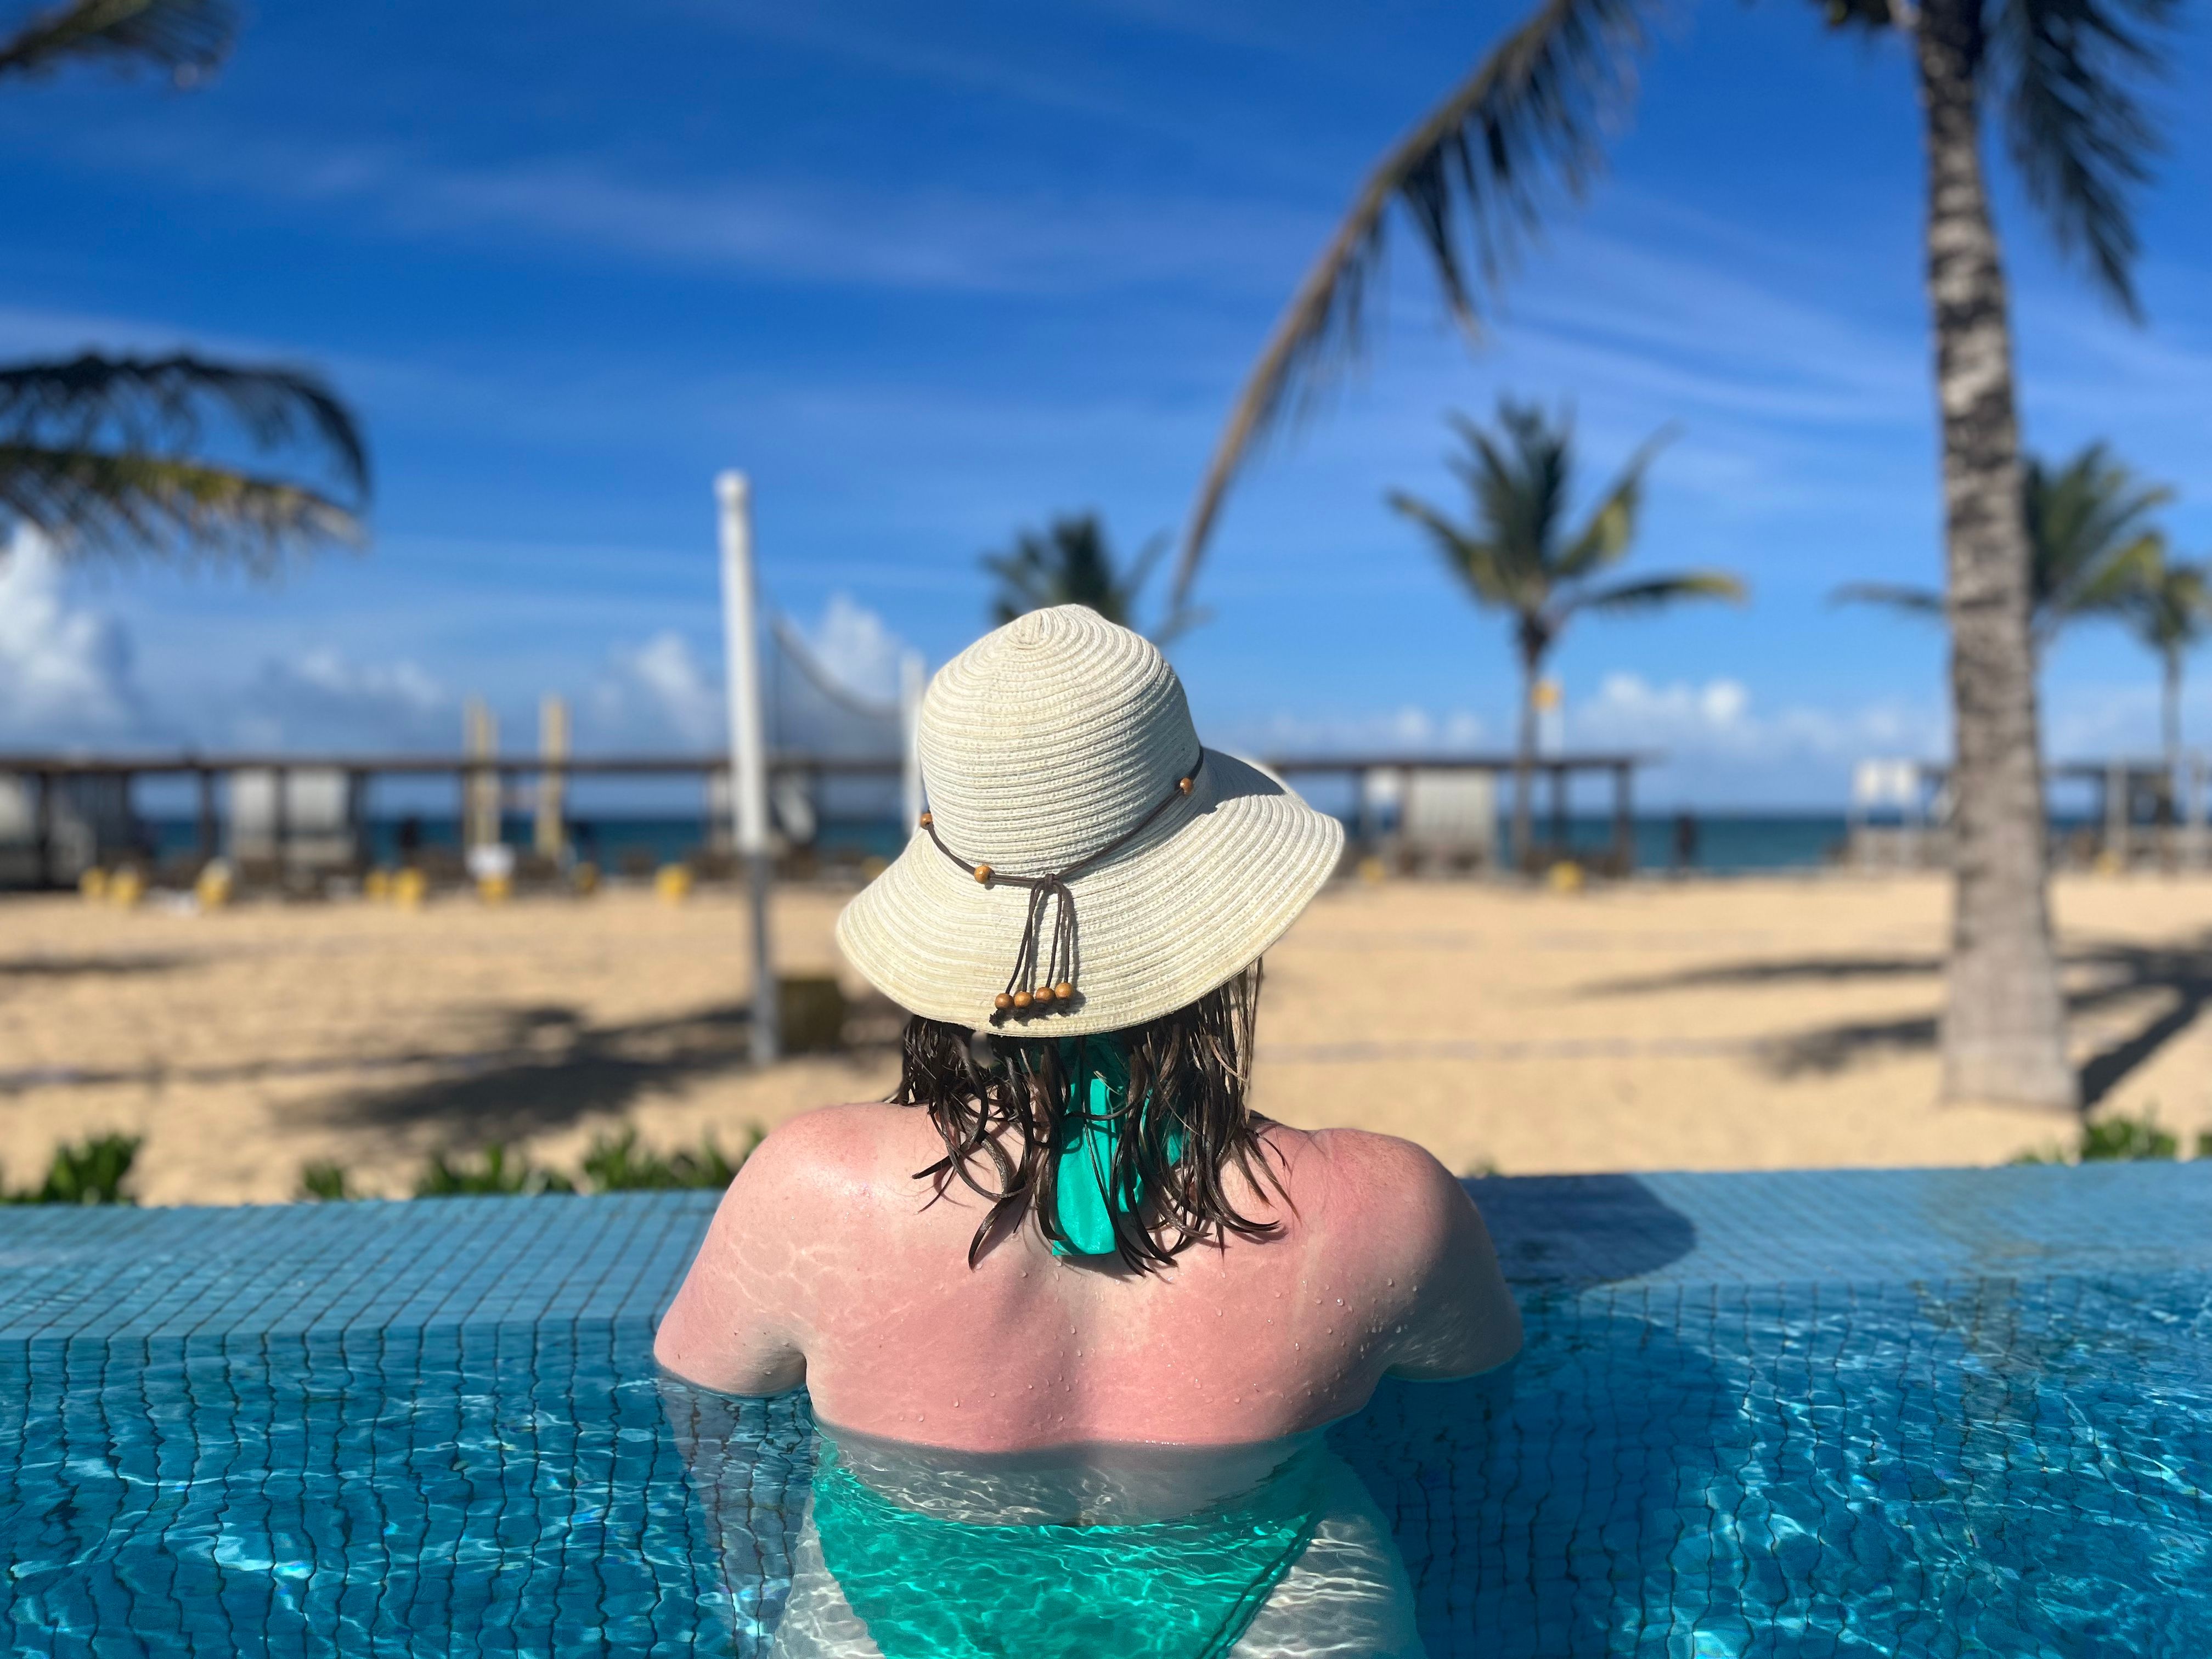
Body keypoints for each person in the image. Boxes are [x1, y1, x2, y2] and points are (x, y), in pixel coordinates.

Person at [657, 606, 1521, 1656]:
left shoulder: (810, 1189)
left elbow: (712, 1433)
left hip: (893, 1604)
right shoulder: (1384, 1206)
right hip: (1279, 1594)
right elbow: (1467, 1419)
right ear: (1221, 912)